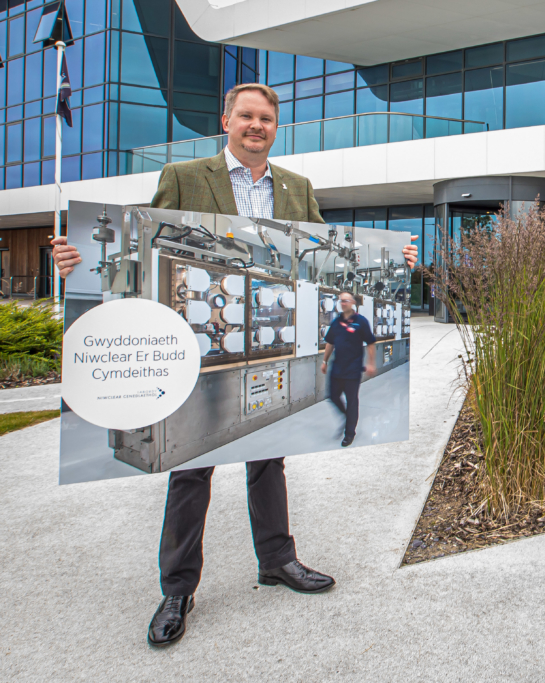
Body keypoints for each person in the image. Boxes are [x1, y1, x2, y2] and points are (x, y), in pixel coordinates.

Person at [51, 83, 419, 647]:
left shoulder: (297, 187)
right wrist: (76, 262)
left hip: (261, 330)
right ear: (226, 120)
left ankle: (277, 561)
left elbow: (326, 250)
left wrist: (397, 259)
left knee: (268, 456)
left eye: (266, 118)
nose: (257, 125)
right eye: (246, 116)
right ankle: (177, 588)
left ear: (276, 127)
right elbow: (144, 245)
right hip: (194, 339)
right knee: (191, 464)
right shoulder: (184, 176)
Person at [321, 291, 376, 447]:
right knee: (332, 396)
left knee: (352, 402)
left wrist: (371, 363)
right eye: (341, 301)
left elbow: (370, 343)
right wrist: (324, 361)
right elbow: (330, 342)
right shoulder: (336, 322)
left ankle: (349, 433)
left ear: (352, 302)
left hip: (353, 369)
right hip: (337, 367)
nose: (343, 303)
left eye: (345, 300)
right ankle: (347, 417)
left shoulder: (361, 322)